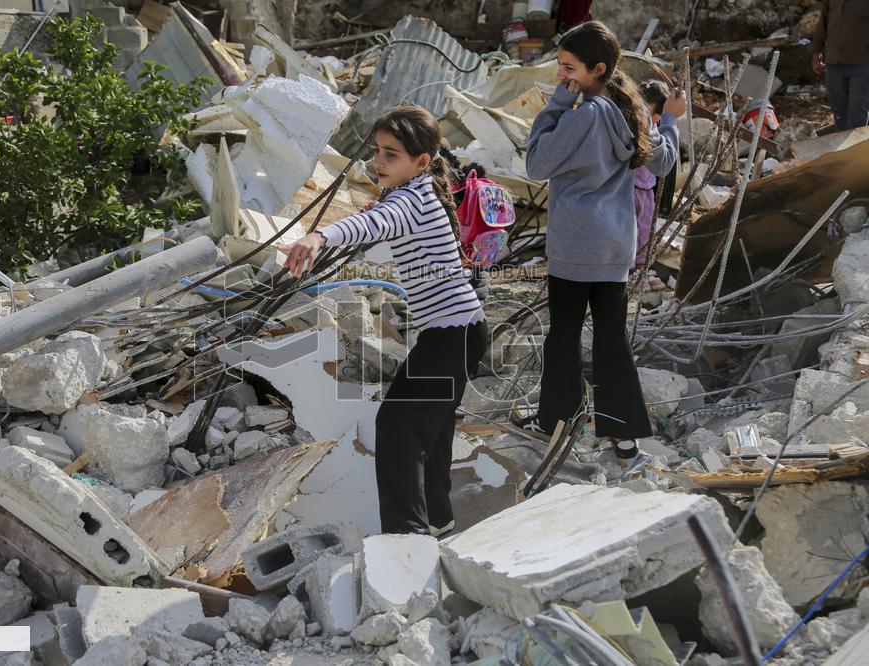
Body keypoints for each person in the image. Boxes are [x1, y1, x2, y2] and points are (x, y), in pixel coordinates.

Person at [277, 106, 488, 536]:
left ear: (421, 161)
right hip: (458, 331)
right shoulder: (419, 194)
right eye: (378, 151)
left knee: (398, 427)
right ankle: (438, 521)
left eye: (391, 154)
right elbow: (380, 238)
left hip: (452, 334)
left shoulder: (412, 200)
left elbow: (372, 223)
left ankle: (406, 536)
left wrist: (319, 235)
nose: (378, 162)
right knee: (432, 432)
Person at [524, 20, 684, 458]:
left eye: (569, 67)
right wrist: (670, 119)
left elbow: (536, 162)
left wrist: (558, 104)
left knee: (564, 335)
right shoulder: (627, 113)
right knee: (611, 337)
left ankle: (557, 422)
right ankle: (624, 431)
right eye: (561, 67)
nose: (562, 76)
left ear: (596, 69)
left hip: (577, 245)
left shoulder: (587, 115)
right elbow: (664, 162)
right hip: (616, 246)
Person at [633, 79, 677, 269]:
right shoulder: (631, 120)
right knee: (631, 230)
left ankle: (641, 267)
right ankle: (630, 268)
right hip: (629, 187)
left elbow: (665, 161)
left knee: (644, 229)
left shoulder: (656, 129)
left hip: (647, 187)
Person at [813, 0, 869, 131]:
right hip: (834, 63)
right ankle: (844, 149)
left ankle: (855, 150)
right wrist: (816, 51)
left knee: (857, 114)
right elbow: (823, 23)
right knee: (839, 113)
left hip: (862, 64)